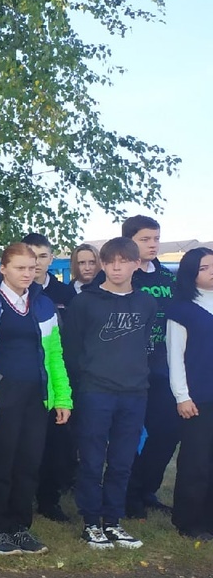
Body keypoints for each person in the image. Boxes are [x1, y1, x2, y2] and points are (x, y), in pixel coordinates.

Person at [0, 242, 73, 556]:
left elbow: (54, 354)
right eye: (20, 268)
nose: (28, 273)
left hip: (36, 396)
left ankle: (19, 526)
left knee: (28, 463)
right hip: (1, 395)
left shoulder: (42, 303)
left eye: (31, 267)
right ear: (3, 269)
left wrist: (62, 397)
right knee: (0, 463)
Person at [62, 237, 154, 550]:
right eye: (110, 261)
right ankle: (91, 522)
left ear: (136, 264)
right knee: (91, 460)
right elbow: (72, 349)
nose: (116, 268)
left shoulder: (146, 303)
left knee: (122, 461)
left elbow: (143, 343)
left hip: (134, 393)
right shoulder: (84, 302)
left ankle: (113, 521)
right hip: (95, 392)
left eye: (124, 261)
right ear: (102, 264)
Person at [108, 216, 179, 518]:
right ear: (130, 242)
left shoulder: (168, 277)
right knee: (128, 434)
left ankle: (145, 488)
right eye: (145, 239)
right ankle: (127, 494)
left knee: (168, 431)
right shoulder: (123, 276)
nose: (153, 245)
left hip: (165, 366)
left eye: (156, 238)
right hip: (129, 368)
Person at [23, 233, 77, 522]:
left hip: (55, 378)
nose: (36, 263)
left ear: (51, 259)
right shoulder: (8, 293)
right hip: (21, 380)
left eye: (42, 256)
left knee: (55, 443)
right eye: (31, 256)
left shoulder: (65, 294)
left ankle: (49, 499)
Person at [166, 246, 213, 540]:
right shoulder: (181, 310)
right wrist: (182, 396)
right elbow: (175, 356)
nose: (211, 272)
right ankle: (189, 521)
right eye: (204, 268)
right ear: (191, 273)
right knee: (196, 461)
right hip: (198, 397)